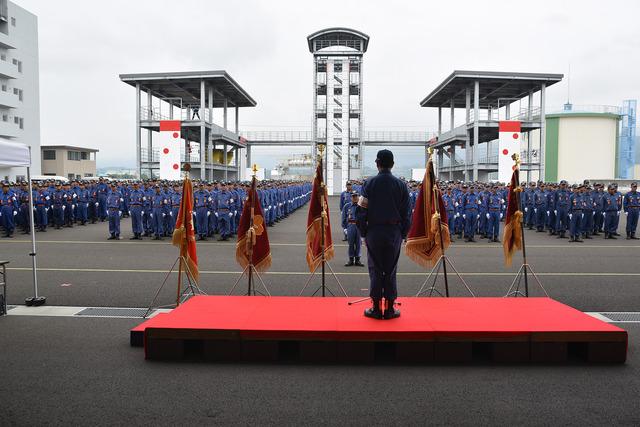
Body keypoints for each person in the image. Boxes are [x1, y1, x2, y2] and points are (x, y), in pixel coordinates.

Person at [357, 149, 410, 320]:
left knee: (375, 269)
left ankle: (375, 307)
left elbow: (361, 211)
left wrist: (363, 232)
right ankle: (389, 308)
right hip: (393, 232)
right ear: (392, 164)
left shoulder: (368, 184)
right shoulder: (401, 185)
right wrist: (402, 234)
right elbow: (407, 213)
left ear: (377, 163)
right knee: (391, 269)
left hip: (374, 231)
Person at [342, 191, 364, 267]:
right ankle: (351, 259)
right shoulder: (347, 206)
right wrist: (345, 228)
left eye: (356, 196)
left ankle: (358, 260)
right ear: (351, 197)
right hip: (350, 226)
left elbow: (366, 218)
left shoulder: (362, 206)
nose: (354, 198)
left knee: (359, 244)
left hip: (359, 227)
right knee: (351, 244)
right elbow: (344, 218)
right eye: (353, 196)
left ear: (359, 197)